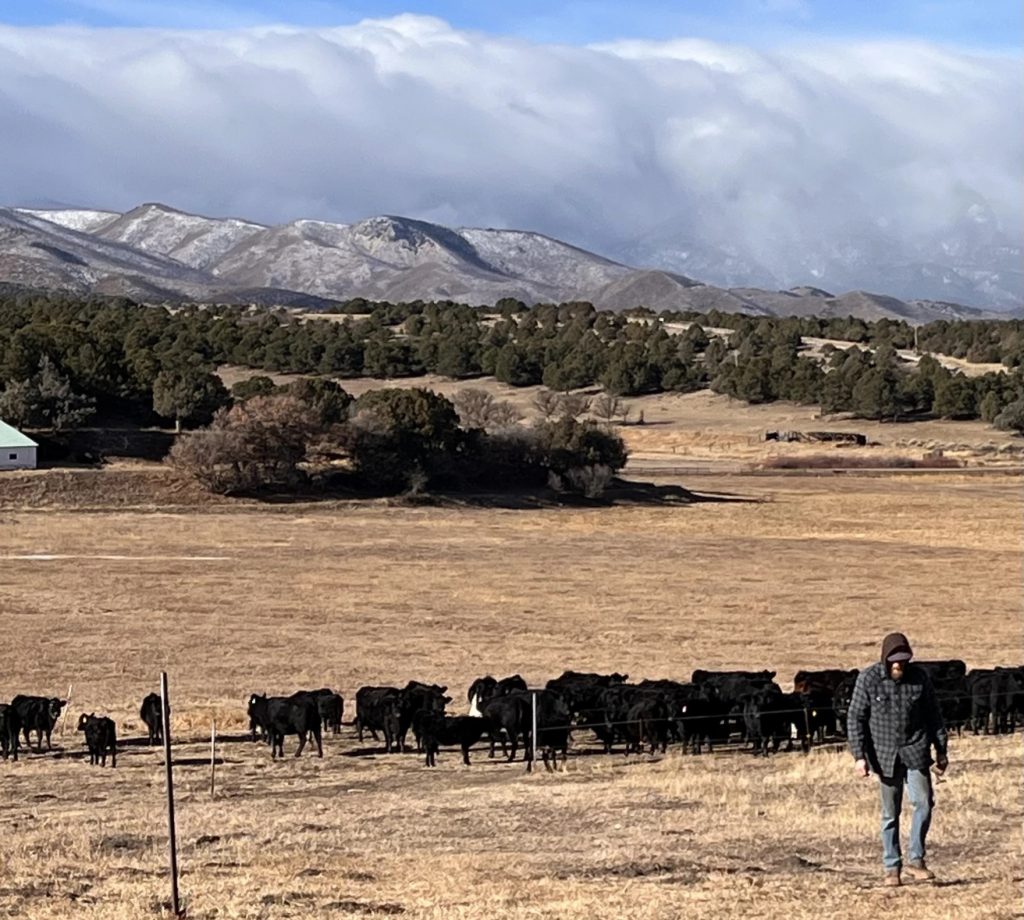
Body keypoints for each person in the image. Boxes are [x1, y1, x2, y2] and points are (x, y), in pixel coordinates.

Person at [847, 632, 949, 887]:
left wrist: (941, 749)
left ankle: (916, 859)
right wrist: (859, 756)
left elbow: (933, 714)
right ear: (885, 659)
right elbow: (855, 717)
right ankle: (892, 867)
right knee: (890, 814)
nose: (898, 666)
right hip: (884, 755)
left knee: (924, 803)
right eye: (894, 661)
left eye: (903, 661)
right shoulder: (868, 679)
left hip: (915, 750)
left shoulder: (920, 679)